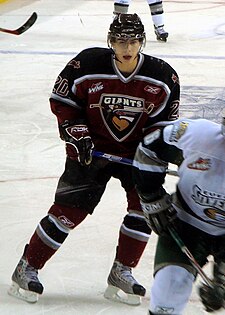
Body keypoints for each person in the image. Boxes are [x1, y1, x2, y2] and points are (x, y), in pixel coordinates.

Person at [8, 13, 180, 305]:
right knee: (68, 212)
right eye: (121, 41)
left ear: (142, 42)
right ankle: (28, 267)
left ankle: (122, 271)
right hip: (90, 151)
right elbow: (62, 101)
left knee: (143, 210)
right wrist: (78, 134)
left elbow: (163, 124)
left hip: (136, 154)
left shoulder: (163, 75)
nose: (127, 48)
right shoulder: (87, 64)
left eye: (133, 41)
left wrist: (153, 152)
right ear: (110, 41)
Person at [132, 115, 225, 314]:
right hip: (185, 224)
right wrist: (151, 197)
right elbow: (149, 148)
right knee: (169, 290)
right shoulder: (196, 135)